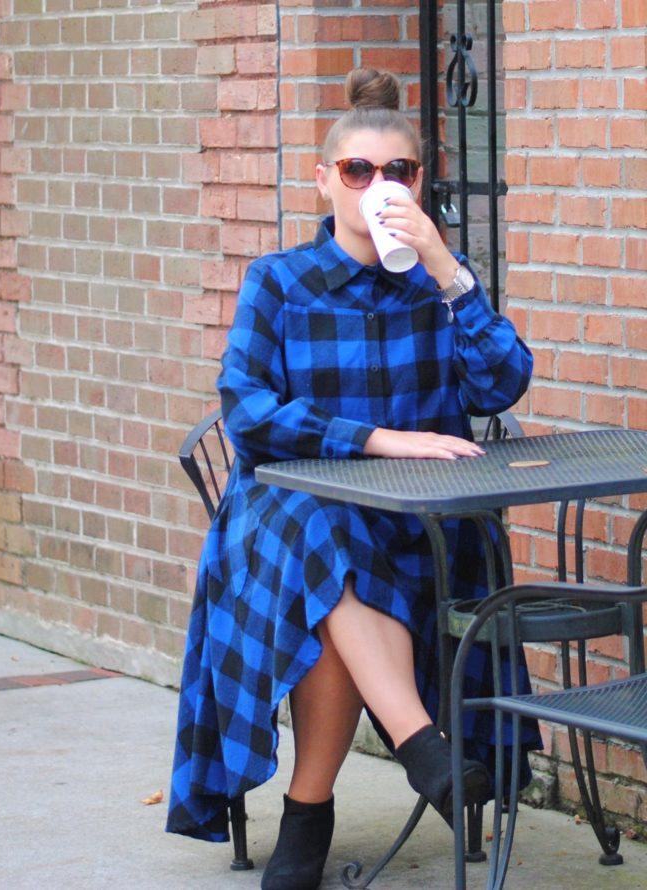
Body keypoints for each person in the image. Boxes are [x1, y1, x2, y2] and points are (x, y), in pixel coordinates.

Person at [166, 68, 539, 890]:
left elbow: (503, 384)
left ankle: (310, 813)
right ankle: (422, 749)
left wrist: (445, 266)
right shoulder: (280, 281)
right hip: (279, 516)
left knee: (334, 582)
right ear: (325, 178)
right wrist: (377, 439)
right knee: (323, 531)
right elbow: (248, 412)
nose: (378, 187)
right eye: (357, 171)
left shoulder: (440, 284)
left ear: (420, 181)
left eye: (397, 172)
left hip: (422, 523)